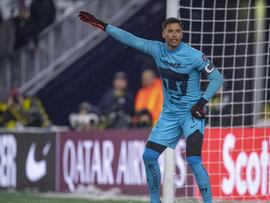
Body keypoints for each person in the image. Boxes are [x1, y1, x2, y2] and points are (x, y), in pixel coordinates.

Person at [79, 11, 224, 203]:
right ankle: (155, 201)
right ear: (163, 34)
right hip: (169, 115)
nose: (174, 35)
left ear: (182, 34)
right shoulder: (156, 49)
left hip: (191, 114)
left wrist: (201, 102)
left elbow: (217, 78)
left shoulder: (194, 56)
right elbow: (131, 39)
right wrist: (105, 26)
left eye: (178, 31)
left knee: (194, 160)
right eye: (170, 31)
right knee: (148, 156)